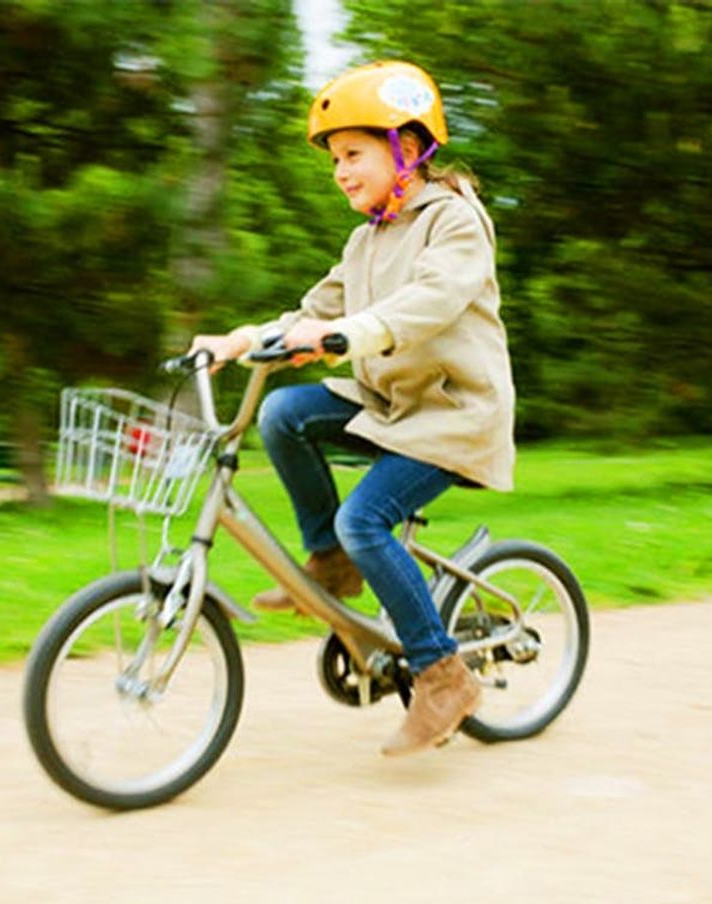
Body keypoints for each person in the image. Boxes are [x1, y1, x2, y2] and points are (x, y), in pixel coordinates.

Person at [188, 61, 516, 757]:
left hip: (454, 415)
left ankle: (442, 673)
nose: (340, 170)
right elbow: (313, 312)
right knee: (284, 414)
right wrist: (240, 341)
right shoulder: (367, 239)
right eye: (335, 158)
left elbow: (428, 301)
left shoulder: (454, 222)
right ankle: (331, 563)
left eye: (353, 153)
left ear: (405, 148)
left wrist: (347, 336)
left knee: (365, 518)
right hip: (392, 406)